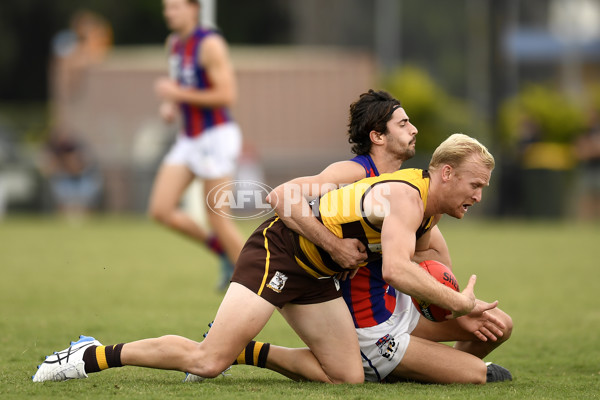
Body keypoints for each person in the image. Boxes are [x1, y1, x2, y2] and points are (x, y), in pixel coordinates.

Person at [32, 132, 501, 384]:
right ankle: (93, 355)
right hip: (279, 255)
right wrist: (456, 304)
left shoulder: (426, 208)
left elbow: (425, 257)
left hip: (318, 277)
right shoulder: (405, 198)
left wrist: (455, 293)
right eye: (475, 185)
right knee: (205, 362)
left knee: (346, 377)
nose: (479, 196)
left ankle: (250, 351)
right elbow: (397, 269)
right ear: (443, 174)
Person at [232, 90, 513, 384]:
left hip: (394, 300)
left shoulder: (416, 189)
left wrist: (445, 293)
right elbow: (285, 196)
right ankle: (407, 364)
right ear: (378, 136)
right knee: (482, 375)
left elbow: (429, 256)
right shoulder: (356, 172)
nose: (414, 129)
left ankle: (420, 365)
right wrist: (336, 247)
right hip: (357, 310)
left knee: (498, 325)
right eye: (403, 124)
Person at [148, 0, 245, 289]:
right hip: (188, 139)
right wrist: (170, 105)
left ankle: (254, 280)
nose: (169, 13)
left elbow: (227, 95)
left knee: (218, 219)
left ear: (193, 9)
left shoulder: (209, 44)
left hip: (216, 136)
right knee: (161, 210)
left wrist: (177, 93)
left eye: (175, 7)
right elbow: (182, 86)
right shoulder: (174, 44)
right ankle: (222, 251)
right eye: (166, 8)